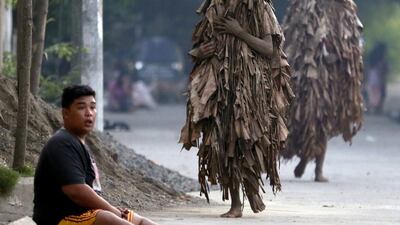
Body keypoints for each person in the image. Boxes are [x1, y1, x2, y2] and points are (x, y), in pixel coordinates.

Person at [179, 0, 293, 218]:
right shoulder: (213, 7)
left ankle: (251, 188)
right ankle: (235, 203)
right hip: (219, 83)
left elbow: (270, 49)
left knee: (248, 139)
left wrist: (239, 32)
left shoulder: (260, 7)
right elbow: (200, 45)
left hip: (250, 86)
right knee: (223, 139)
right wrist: (199, 52)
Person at [33, 85, 158, 225]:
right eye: (81, 107)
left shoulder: (78, 143)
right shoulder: (62, 143)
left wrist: (116, 212)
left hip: (86, 214)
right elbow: (76, 190)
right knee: (108, 218)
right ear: (65, 113)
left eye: (92, 107)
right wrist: (113, 211)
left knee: (141, 221)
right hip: (61, 218)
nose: (89, 113)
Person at [281, 0, 364, 182]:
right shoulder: (305, 5)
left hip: (332, 78)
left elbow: (353, 44)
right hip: (309, 75)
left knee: (324, 121)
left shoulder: (346, 8)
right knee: (306, 118)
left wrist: (345, 58)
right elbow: (293, 37)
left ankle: (317, 168)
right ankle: (304, 156)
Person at [365, 42, 389, 114]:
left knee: (374, 92)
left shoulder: (372, 58)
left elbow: (368, 68)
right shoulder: (381, 59)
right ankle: (373, 107)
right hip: (377, 77)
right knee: (378, 93)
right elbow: (381, 69)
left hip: (372, 76)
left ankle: (372, 107)